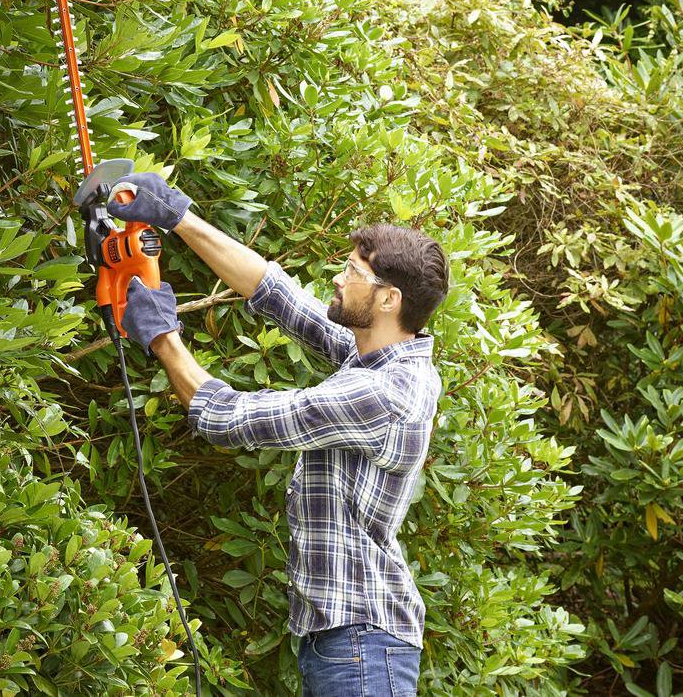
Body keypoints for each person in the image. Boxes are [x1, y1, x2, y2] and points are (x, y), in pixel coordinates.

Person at [108, 172, 448, 697]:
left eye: (352, 272)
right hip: (347, 642)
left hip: (361, 646)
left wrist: (163, 338)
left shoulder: (383, 394)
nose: (338, 279)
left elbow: (225, 418)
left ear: (388, 299)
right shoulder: (380, 355)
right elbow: (276, 293)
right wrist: (177, 216)